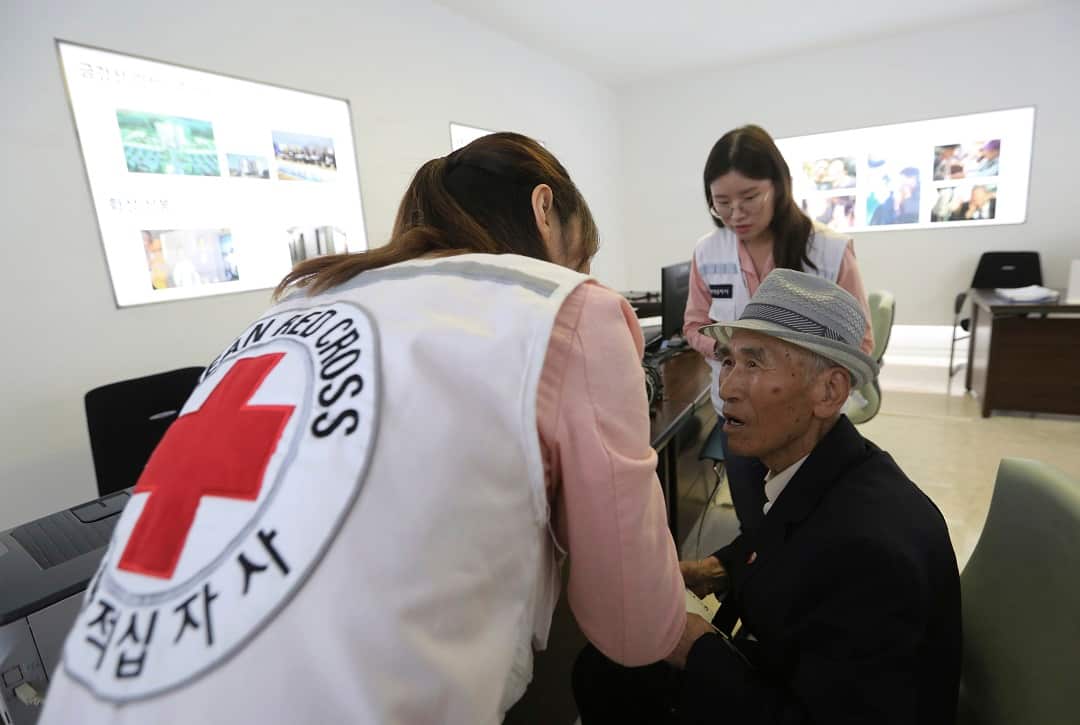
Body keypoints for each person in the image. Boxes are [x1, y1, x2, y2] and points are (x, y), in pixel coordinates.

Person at [39, 133, 687, 724]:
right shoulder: (569, 310)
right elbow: (633, 626)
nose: (580, 274)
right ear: (545, 208)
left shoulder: (303, 300)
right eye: (583, 254)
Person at [574, 269, 962, 725]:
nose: (726, 387)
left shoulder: (870, 552)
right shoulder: (826, 470)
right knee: (605, 668)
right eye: (729, 361)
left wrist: (695, 647)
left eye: (754, 364)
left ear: (829, 390)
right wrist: (715, 570)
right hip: (804, 672)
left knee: (611, 676)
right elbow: (789, 533)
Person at [681, 124, 874, 530]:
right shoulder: (708, 251)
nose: (735, 214)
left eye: (750, 197)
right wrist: (725, 351)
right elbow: (695, 324)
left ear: (780, 186)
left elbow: (861, 343)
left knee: (813, 527)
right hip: (736, 413)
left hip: (807, 424)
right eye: (721, 203)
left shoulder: (828, 250)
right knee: (755, 524)